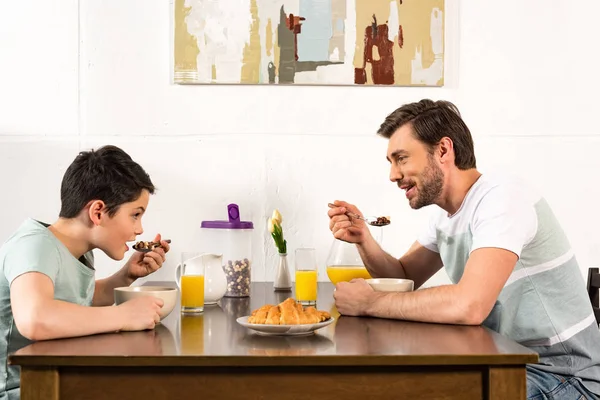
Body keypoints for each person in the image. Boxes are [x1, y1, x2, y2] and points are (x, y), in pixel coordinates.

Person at [328, 99, 600, 399]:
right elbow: (404, 277)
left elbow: (469, 304)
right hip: (508, 362)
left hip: (564, 376)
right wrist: (364, 239)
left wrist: (369, 303)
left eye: (401, 158)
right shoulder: (446, 215)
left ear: (443, 150)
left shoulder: (502, 198)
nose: (393, 174)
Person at [0, 145, 170, 400]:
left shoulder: (77, 250)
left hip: (56, 380)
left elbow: (77, 301)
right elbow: (35, 318)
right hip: (24, 390)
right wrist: (122, 315)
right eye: (135, 215)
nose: (139, 229)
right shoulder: (34, 246)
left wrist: (126, 277)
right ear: (97, 211)